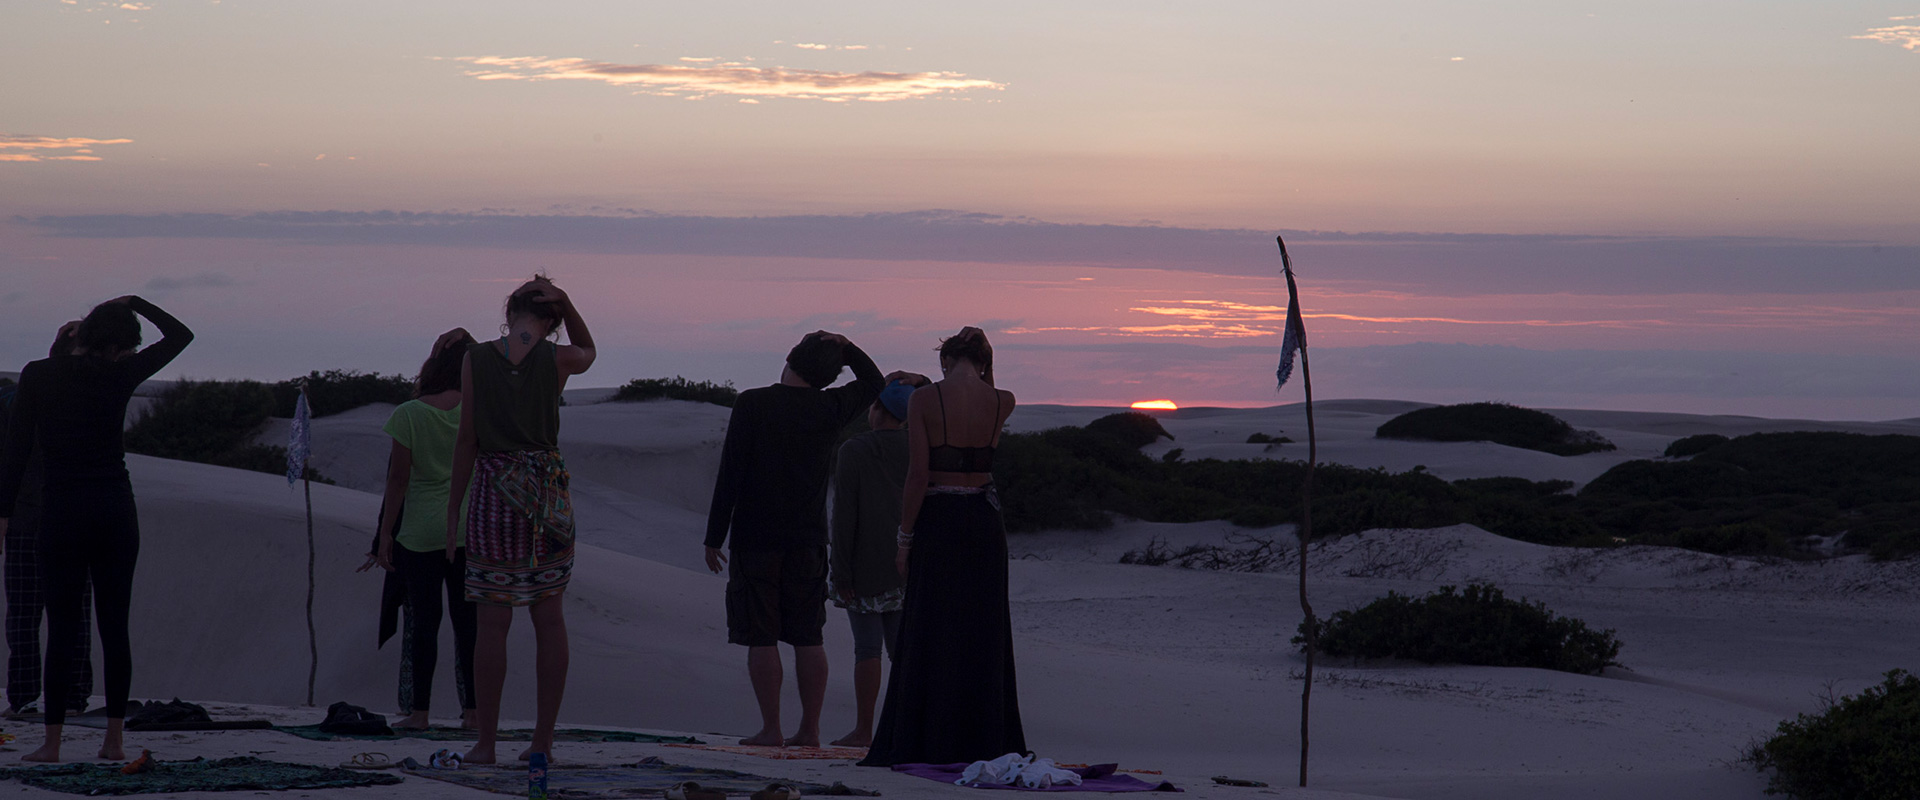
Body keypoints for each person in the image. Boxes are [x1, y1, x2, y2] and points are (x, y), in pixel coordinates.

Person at [0, 296, 193, 763]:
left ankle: (52, 743)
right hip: (114, 510)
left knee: (62, 629)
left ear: (81, 335)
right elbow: (181, 335)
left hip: (62, 512)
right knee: (114, 627)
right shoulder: (119, 375)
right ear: (118, 347)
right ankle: (113, 742)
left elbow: (16, 449)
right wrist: (135, 302)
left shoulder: (39, 375)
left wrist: (3, 515)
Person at [703, 331, 885, 747]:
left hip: (755, 538)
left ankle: (771, 729)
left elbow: (730, 472)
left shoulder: (753, 402)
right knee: (808, 635)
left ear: (790, 357)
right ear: (827, 375)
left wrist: (715, 535)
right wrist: (849, 347)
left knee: (762, 634)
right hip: (807, 540)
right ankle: (810, 730)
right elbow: (875, 383)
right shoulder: (830, 406)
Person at [860, 327, 1026, 767]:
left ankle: (927, 735)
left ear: (945, 360)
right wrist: (982, 364)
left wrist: (904, 538)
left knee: (931, 627)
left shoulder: (924, 400)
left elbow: (918, 474)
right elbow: (983, 390)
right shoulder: (1003, 400)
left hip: (939, 519)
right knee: (982, 629)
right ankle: (980, 737)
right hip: (985, 521)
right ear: (986, 361)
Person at [446, 277, 595, 765]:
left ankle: (485, 743)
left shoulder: (476, 358)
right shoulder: (559, 358)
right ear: (551, 322)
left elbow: (467, 437)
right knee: (548, 618)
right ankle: (542, 743)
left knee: (492, 624)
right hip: (546, 496)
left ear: (508, 311)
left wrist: (454, 512)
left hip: (493, 493)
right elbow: (589, 348)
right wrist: (568, 303)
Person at [372, 328, 479, 730]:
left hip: (419, 535)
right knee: (468, 625)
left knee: (424, 626)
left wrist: (385, 535)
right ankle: (473, 713)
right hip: (469, 531)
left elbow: (397, 480)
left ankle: (419, 714)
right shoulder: (476, 410)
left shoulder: (409, 413)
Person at [2, 322, 96, 721]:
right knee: (67, 613)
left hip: (37, 517)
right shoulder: (91, 393)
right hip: (64, 516)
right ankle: (67, 696)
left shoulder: (26, 391)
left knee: (29, 614)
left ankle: (30, 697)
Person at [826, 378, 923, 748]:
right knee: (902, 653)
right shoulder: (918, 447)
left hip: (863, 565)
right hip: (907, 564)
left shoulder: (854, 449)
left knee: (867, 650)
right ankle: (904, 729)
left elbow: (844, 514)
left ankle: (864, 730)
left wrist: (841, 570)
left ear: (878, 409)